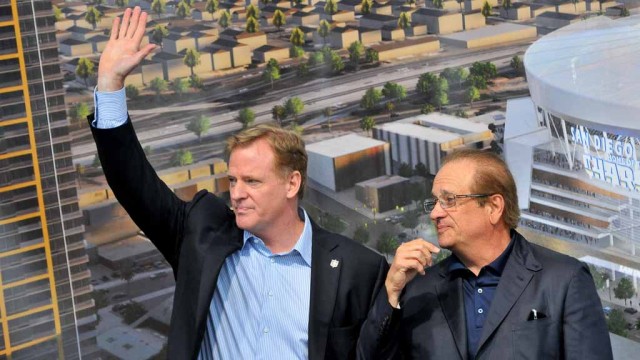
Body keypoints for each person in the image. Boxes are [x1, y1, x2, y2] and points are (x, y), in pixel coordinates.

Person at [91, 7, 388, 359]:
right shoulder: (202, 234)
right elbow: (133, 183)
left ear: (292, 183)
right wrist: (110, 85)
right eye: (232, 179)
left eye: (252, 181)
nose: (237, 193)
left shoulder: (359, 268)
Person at [358, 149, 613, 359]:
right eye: (434, 202)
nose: (435, 213)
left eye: (449, 200)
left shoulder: (564, 280)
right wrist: (391, 292)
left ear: (493, 206)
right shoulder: (419, 288)